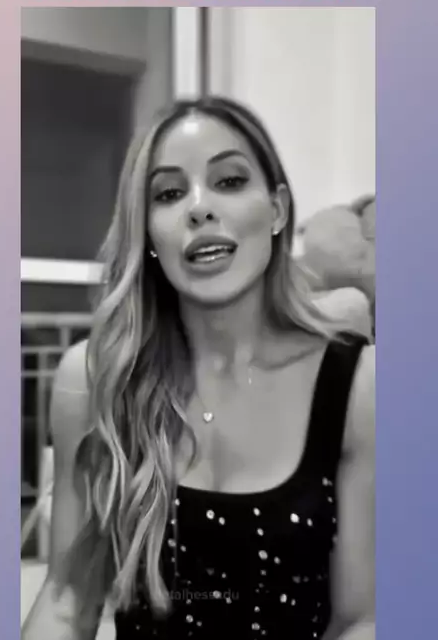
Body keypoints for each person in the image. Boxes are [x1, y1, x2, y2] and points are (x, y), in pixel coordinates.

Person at [22, 97, 375, 640]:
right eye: (168, 193)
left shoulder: (360, 388)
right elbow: (67, 600)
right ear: (147, 233)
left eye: (229, 181)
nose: (199, 208)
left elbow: (364, 619)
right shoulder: (95, 381)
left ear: (278, 210)